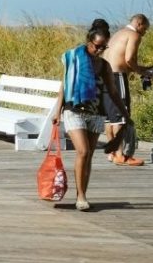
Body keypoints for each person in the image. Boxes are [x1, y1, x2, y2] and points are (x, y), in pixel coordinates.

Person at [52, 26, 128, 211]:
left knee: (89, 156)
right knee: (83, 152)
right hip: (74, 110)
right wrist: (57, 110)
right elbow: (64, 85)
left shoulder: (103, 65)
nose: (100, 50)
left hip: (96, 113)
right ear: (89, 42)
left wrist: (125, 114)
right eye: (97, 46)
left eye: (104, 47)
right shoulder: (73, 58)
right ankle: (81, 196)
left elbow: (112, 91)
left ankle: (82, 194)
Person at [101, 14, 153, 167]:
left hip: (104, 76)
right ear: (139, 23)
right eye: (145, 28)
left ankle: (112, 152)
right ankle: (121, 155)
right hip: (117, 77)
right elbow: (130, 59)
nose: (145, 32)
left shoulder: (118, 34)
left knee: (110, 118)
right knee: (121, 116)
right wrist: (142, 72)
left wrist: (140, 69)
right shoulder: (134, 35)